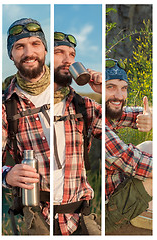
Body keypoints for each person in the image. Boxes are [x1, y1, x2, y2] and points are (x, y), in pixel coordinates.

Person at [2, 18, 51, 235]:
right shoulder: (4, 102)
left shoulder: (71, 93)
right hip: (35, 216)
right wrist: (6, 174)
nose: (28, 52)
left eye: (35, 44)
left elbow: (106, 125)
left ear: (45, 49)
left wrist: (139, 118)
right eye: (19, 46)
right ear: (11, 55)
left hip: (81, 215)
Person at [52, 31, 102, 235]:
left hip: (78, 219)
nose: (68, 60)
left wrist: (104, 91)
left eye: (72, 54)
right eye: (59, 52)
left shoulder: (82, 105)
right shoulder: (16, 102)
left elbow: (124, 119)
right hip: (36, 218)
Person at [104, 58, 153, 233]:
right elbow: (134, 161)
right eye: (110, 87)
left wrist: (149, 117)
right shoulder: (97, 126)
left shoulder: (106, 111)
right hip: (107, 211)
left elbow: (134, 113)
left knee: (149, 146)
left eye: (123, 88)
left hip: (116, 187)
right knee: (151, 174)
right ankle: (139, 219)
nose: (119, 95)